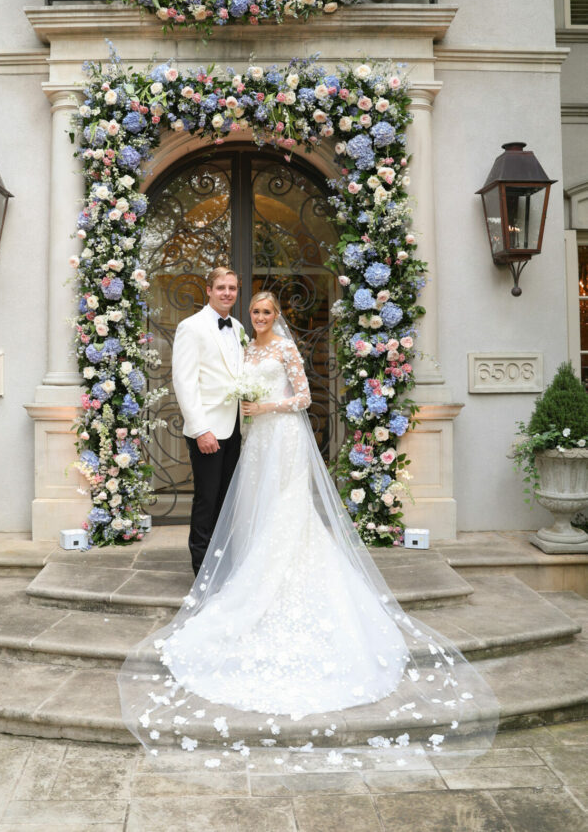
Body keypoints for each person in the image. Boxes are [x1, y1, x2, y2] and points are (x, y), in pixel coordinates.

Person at [118, 292, 499, 766]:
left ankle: (286, 577)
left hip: (282, 438)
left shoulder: (282, 347)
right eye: (254, 311)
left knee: (288, 512)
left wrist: (268, 409)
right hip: (252, 442)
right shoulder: (242, 344)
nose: (258, 317)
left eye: (266, 312)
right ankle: (250, 571)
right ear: (247, 316)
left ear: (277, 317)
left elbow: (303, 397)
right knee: (253, 512)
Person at [171, 267, 244, 575]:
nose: (227, 292)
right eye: (221, 287)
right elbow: (184, 381)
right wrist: (201, 429)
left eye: (232, 288)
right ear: (209, 290)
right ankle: (202, 569)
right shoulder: (191, 327)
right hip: (208, 429)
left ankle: (223, 563)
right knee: (207, 499)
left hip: (236, 427)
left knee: (228, 500)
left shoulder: (239, 327)